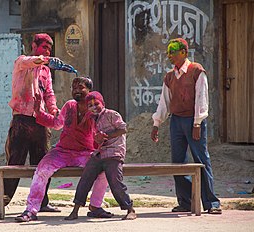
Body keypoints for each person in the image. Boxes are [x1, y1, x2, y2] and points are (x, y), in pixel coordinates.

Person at [14, 76, 110, 222]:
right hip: (62, 151)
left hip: (85, 153)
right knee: (41, 170)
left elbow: (103, 131)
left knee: (103, 171)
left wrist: (100, 140)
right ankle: (31, 210)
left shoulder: (96, 109)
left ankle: (95, 207)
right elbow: (57, 123)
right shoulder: (69, 105)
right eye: (74, 88)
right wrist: (38, 112)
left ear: (89, 90)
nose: (76, 90)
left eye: (81, 88)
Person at [0, 33, 62, 216]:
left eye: (49, 49)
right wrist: (45, 59)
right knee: (14, 164)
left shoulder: (45, 71)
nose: (46, 51)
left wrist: (54, 110)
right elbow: (31, 61)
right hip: (21, 120)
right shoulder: (22, 62)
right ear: (33, 45)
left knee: (42, 163)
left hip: (40, 122)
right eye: (43, 47)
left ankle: (42, 202)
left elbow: (49, 94)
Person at [150, 38, 222, 214]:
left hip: (193, 120)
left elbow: (201, 98)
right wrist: (156, 123)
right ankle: (185, 201)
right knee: (178, 162)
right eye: (168, 52)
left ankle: (211, 203)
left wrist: (197, 123)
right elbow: (164, 102)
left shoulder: (196, 71)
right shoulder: (169, 76)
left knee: (201, 160)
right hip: (176, 122)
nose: (169, 56)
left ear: (183, 52)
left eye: (173, 52)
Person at [65, 91, 137, 221]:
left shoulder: (111, 114)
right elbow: (96, 140)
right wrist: (98, 140)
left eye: (96, 104)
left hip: (114, 153)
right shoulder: (92, 119)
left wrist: (106, 136)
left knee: (115, 182)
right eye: (90, 105)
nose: (94, 107)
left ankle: (130, 209)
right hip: (100, 153)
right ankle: (75, 210)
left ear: (102, 103)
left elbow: (123, 129)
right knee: (85, 178)